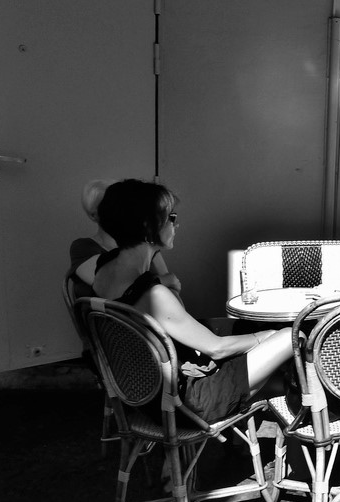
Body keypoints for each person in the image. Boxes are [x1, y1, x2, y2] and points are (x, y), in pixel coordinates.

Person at [91, 179, 294, 422]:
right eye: (171, 218)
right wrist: (266, 336)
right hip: (187, 404)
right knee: (292, 336)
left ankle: (244, 442)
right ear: (148, 226)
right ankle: (312, 426)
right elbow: (216, 349)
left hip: (145, 396)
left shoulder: (103, 270)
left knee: (245, 331)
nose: (177, 224)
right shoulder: (154, 296)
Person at [69, 178, 180, 298]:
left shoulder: (148, 244)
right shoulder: (84, 247)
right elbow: (115, 287)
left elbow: (171, 291)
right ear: (94, 215)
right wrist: (162, 281)